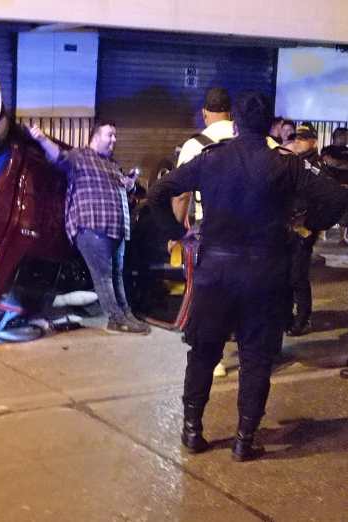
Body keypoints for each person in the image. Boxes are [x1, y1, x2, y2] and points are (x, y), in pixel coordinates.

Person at [148, 92, 348, 461]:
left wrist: (177, 234)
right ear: (271, 127)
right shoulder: (286, 164)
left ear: (235, 124)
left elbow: (159, 191)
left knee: (204, 352)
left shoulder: (211, 160)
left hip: (216, 273)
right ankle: (244, 438)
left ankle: (192, 429)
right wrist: (307, 227)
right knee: (256, 358)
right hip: (266, 274)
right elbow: (336, 197)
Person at [29, 122, 150, 335]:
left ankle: (126, 314)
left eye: (115, 136)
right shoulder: (80, 156)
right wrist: (42, 139)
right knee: (103, 277)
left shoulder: (112, 165)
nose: (114, 140)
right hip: (91, 227)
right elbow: (58, 157)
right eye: (110, 135)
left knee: (117, 275)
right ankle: (116, 318)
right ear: (95, 136)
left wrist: (128, 183)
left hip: (116, 229)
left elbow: (122, 187)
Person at [173, 87, 235, 378]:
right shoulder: (249, 141)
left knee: (206, 293)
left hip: (208, 230)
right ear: (231, 111)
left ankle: (214, 357)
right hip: (248, 229)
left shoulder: (195, 145)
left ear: (205, 113)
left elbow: (181, 193)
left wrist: (176, 231)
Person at [285, 123, 321, 336]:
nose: (297, 141)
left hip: (304, 228)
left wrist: (311, 226)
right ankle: (287, 316)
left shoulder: (316, 166)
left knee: (298, 275)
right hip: (288, 226)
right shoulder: (293, 162)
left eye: (303, 138)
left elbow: (324, 199)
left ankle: (302, 318)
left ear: (313, 142)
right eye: (295, 137)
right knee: (288, 274)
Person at [320, 128, 348, 245]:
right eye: (346, 136)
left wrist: (338, 164)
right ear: (338, 136)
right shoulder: (327, 149)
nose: (347, 139)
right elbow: (330, 162)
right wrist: (342, 164)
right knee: (325, 208)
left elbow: (335, 163)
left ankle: (342, 237)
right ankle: (321, 234)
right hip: (330, 185)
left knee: (345, 212)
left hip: (346, 186)